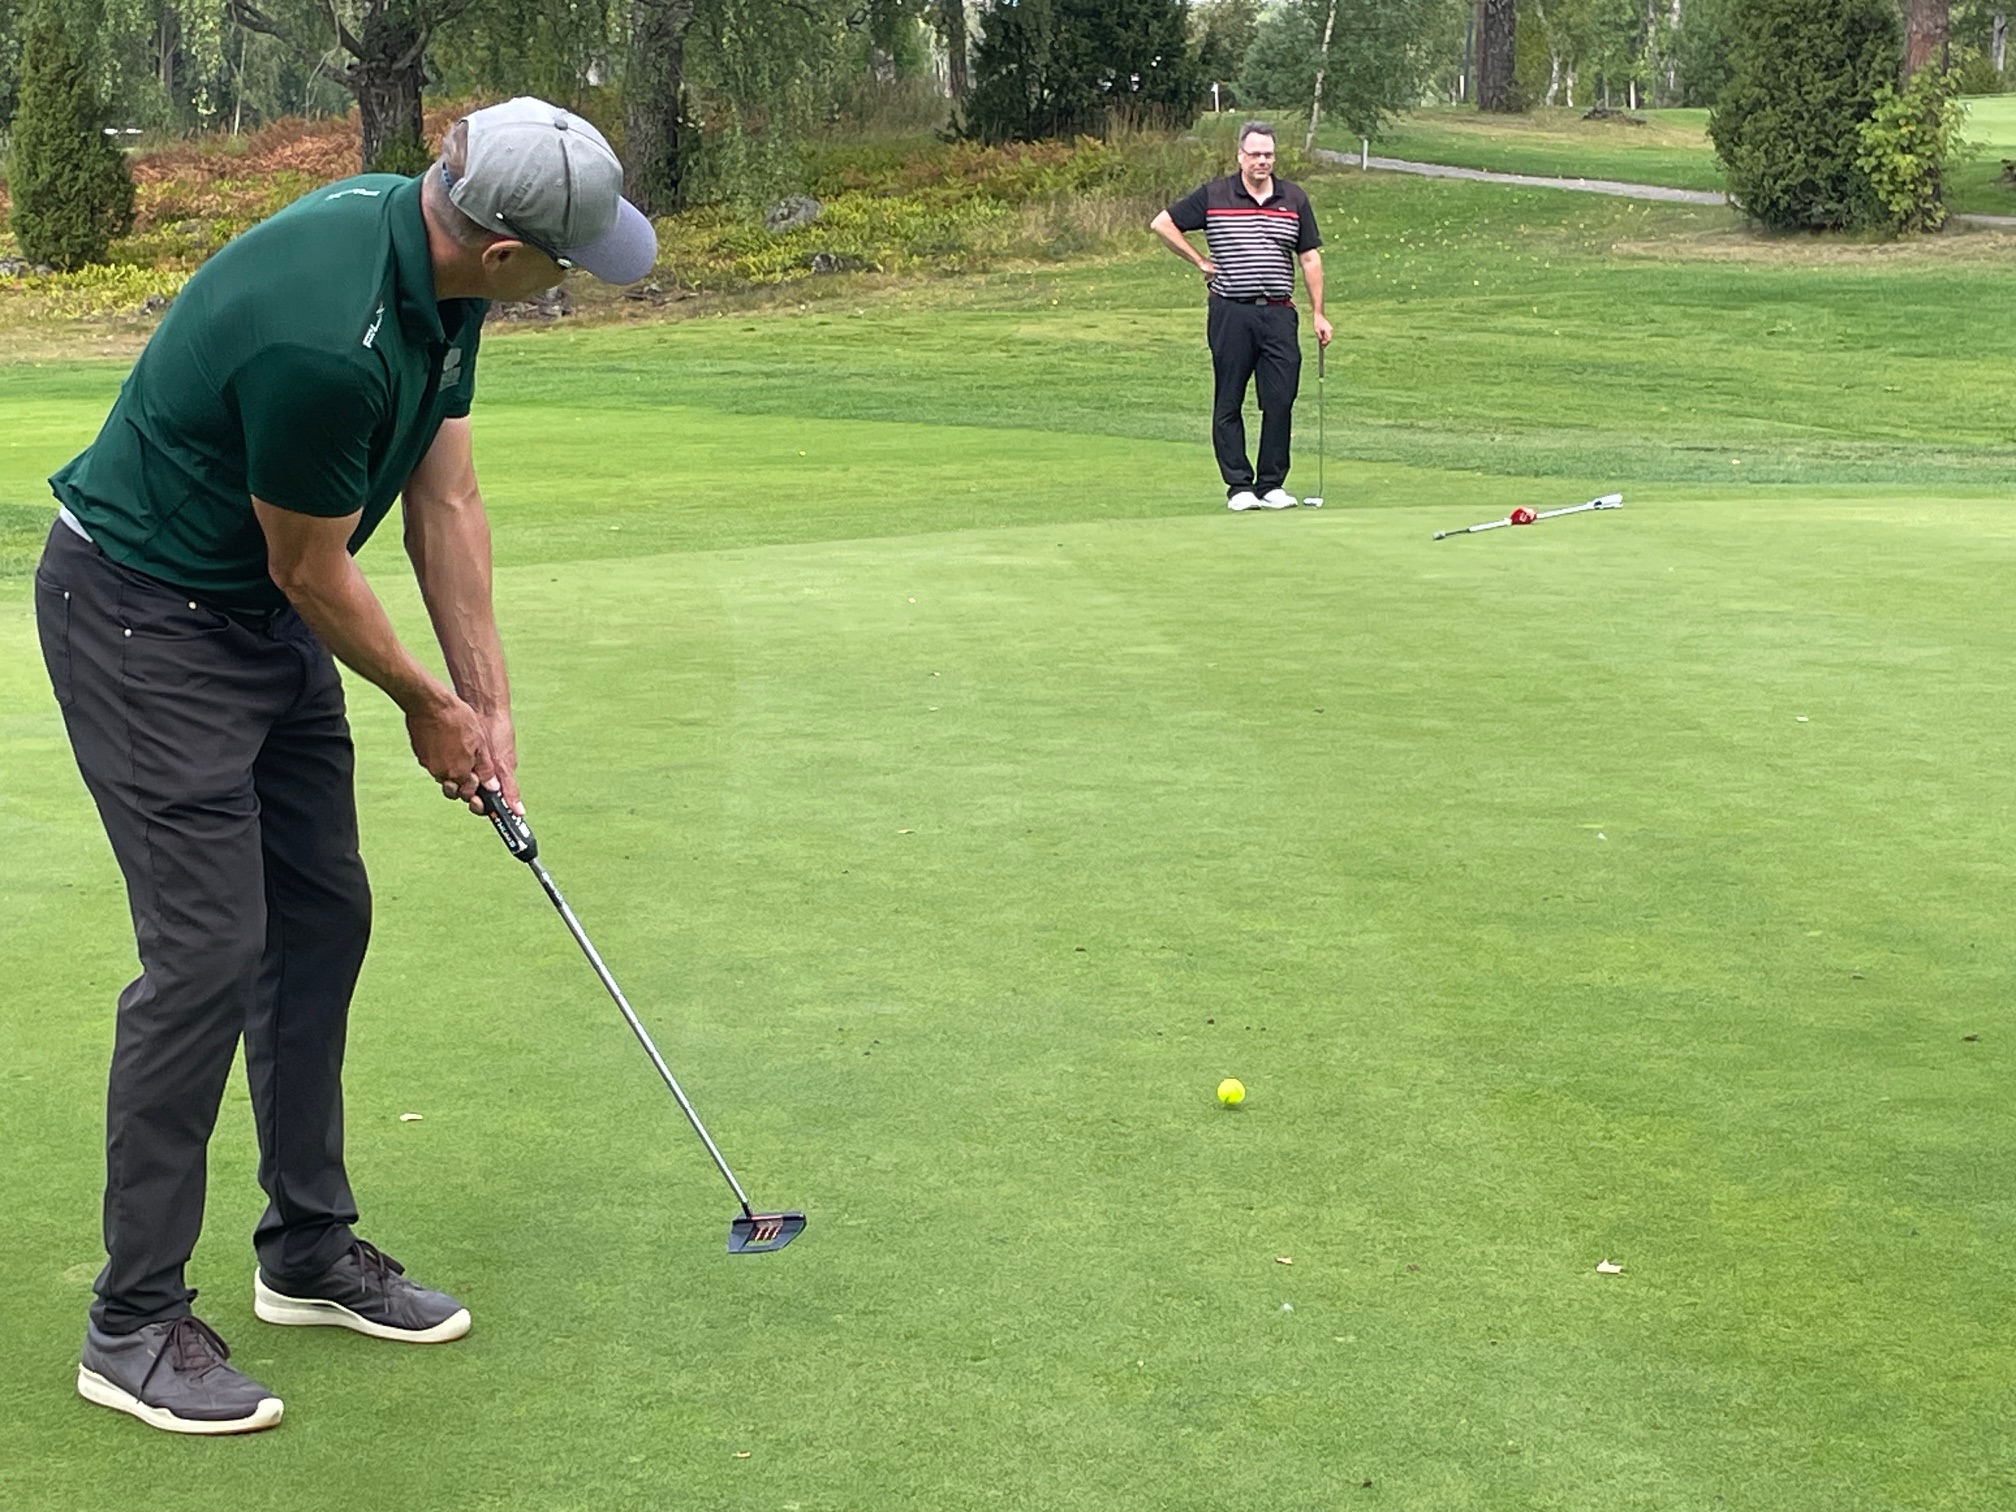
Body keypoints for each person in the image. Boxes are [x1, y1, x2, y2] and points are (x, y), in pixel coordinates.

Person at [32, 97, 657, 1436]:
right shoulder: (329, 340)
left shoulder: (444, 276)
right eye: (566, 265)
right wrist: (427, 706)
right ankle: (130, 1323)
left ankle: (306, 1248)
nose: (573, 282)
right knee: (207, 953)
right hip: (143, 614)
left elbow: (445, 496)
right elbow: (311, 567)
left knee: (322, 916)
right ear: (502, 250)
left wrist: (489, 706)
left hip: (252, 615)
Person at [1150, 121, 1333, 511]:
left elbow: (1309, 258)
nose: (1262, 161)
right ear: (1240, 156)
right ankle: (1239, 486)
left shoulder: (1293, 198)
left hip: (1279, 313)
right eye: (1255, 154)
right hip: (1231, 311)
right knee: (1229, 399)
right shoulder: (1215, 195)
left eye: (1268, 154)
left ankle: (1271, 484)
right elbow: (1162, 224)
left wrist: (1319, 313)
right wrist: (1200, 260)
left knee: (1280, 398)